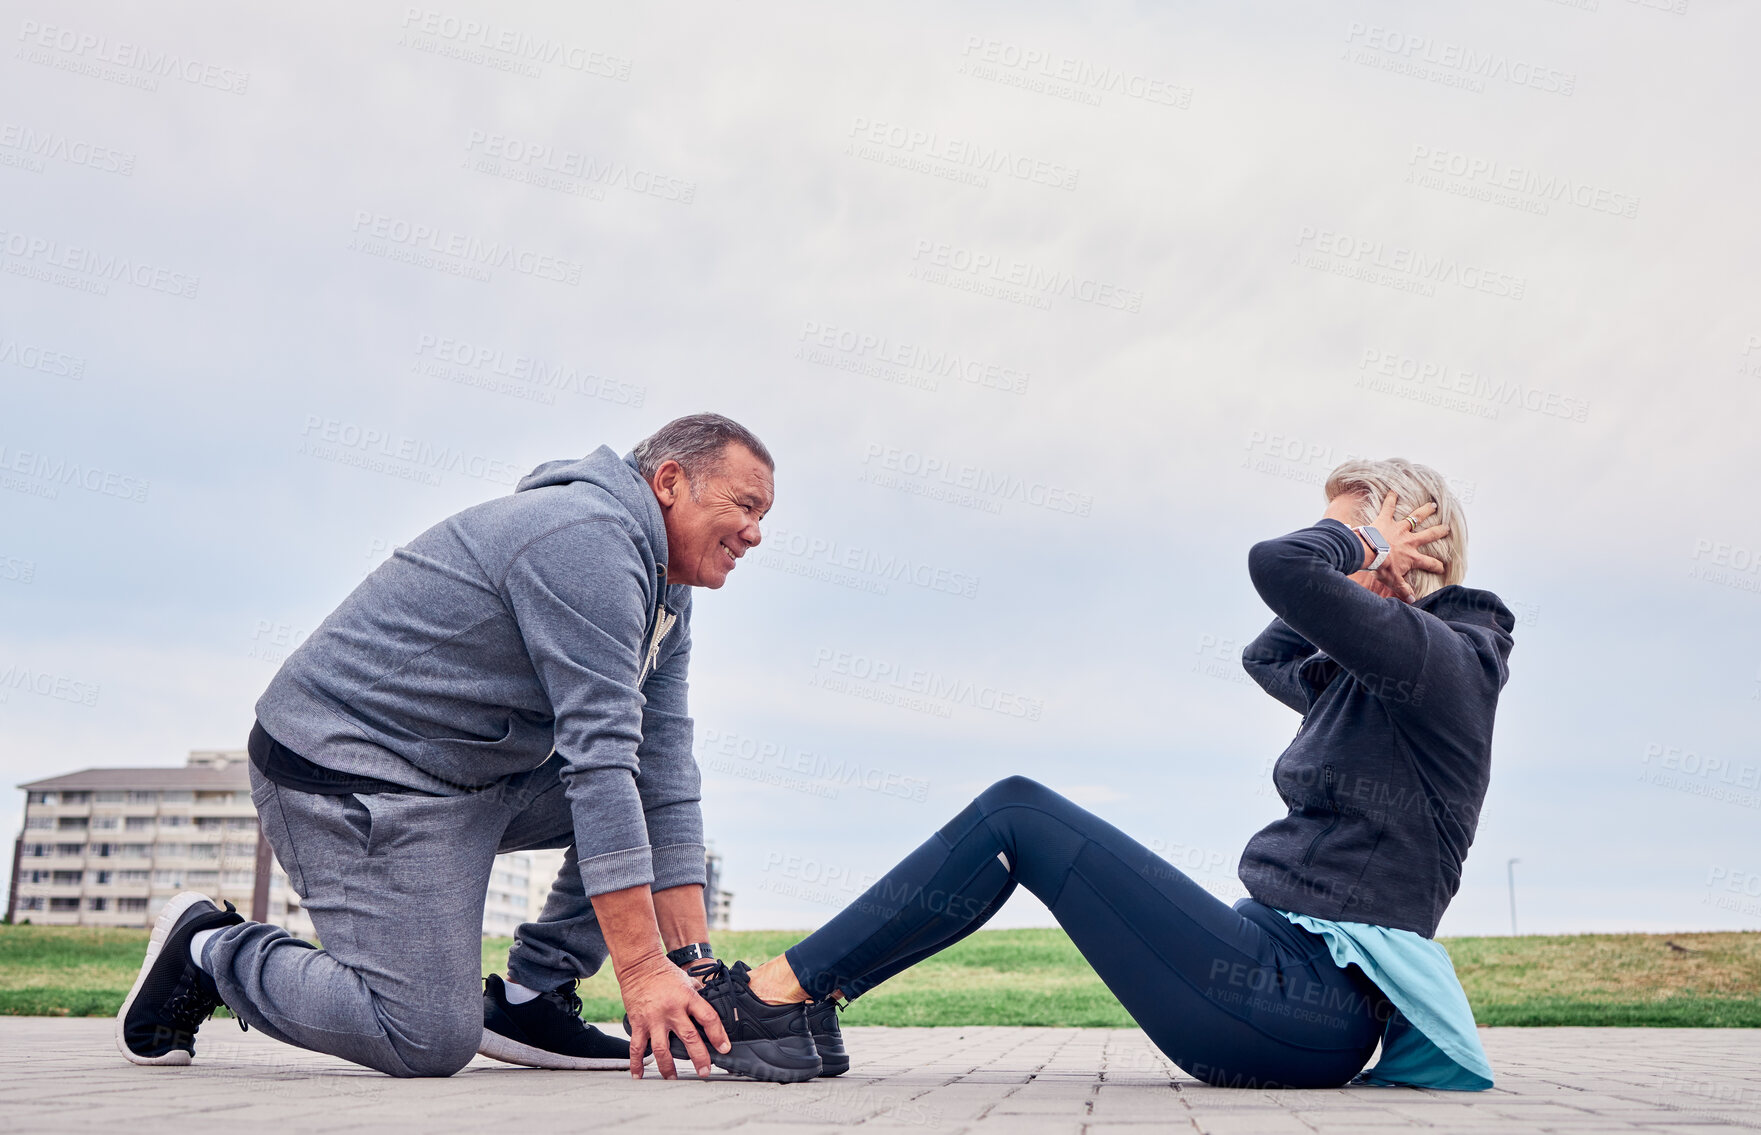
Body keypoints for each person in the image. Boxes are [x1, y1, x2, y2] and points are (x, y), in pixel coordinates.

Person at [737, 458, 1511, 1091]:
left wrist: (1358, 549)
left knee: (1017, 812)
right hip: (1275, 972)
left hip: (1301, 1004)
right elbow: (1267, 655)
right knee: (1015, 818)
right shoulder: (1362, 676)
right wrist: (1358, 565)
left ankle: (777, 993)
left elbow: (1279, 563)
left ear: (1406, 541)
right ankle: (806, 1001)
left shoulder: (1444, 660)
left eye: (1352, 531)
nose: (1342, 550)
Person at [116, 413, 837, 1083]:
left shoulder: (665, 594)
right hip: (347, 773)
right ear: (671, 480)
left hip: (465, 772)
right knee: (424, 1036)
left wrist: (692, 966)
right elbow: (596, 762)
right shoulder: (583, 539)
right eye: (745, 506)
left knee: (645, 783)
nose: (755, 533)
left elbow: (663, 768)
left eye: (763, 516)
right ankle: (210, 949)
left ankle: (531, 993)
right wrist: (642, 968)